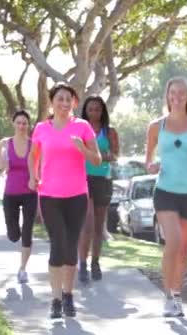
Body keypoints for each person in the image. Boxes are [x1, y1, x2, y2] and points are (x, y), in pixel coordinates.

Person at [27, 82, 101, 319]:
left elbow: (97, 160)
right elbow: (33, 156)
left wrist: (83, 150)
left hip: (77, 196)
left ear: (74, 102)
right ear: (52, 102)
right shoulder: (41, 128)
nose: (64, 103)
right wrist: (33, 175)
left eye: (68, 99)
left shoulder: (82, 127)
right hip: (49, 195)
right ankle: (56, 300)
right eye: (60, 99)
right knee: (57, 244)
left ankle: (68, 296)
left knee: (71, 247)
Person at [144, 76, 187, 317]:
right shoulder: (156, 126)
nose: (176, 97)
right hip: (165, 191)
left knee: (184, 250)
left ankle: (177, 295)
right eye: (172, 93)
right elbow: (148, 160)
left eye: (181, 93)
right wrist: (151, 166)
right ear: (167, 96)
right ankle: (167, 297)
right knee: (172, 241)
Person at [78, 95, 119, 284]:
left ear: (102, 111)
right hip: (83, 179)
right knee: (87, 225)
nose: (94, 112)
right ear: (85, 111)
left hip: (103, 179)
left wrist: (96, 155)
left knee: (98, 226)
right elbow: (75, 153)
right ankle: (82, 264)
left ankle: (95, 263)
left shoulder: (109, 132)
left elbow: (115, 154)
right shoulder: (79, 130)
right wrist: (96, 155)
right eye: (91, 109)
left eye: (97, 109)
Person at [0, 110, 38, 284]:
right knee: (14, 235)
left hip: (29, 192)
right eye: (18, 123)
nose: (21, 126)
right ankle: (14, 233)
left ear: (28, 125)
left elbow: (37, 166)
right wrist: (3, 161)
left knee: (27, 231)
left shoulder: (34, 144)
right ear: (13, 124)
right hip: (11, 193)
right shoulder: (5, 143)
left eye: (25, 123)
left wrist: (34, 180)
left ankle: (22, 269)